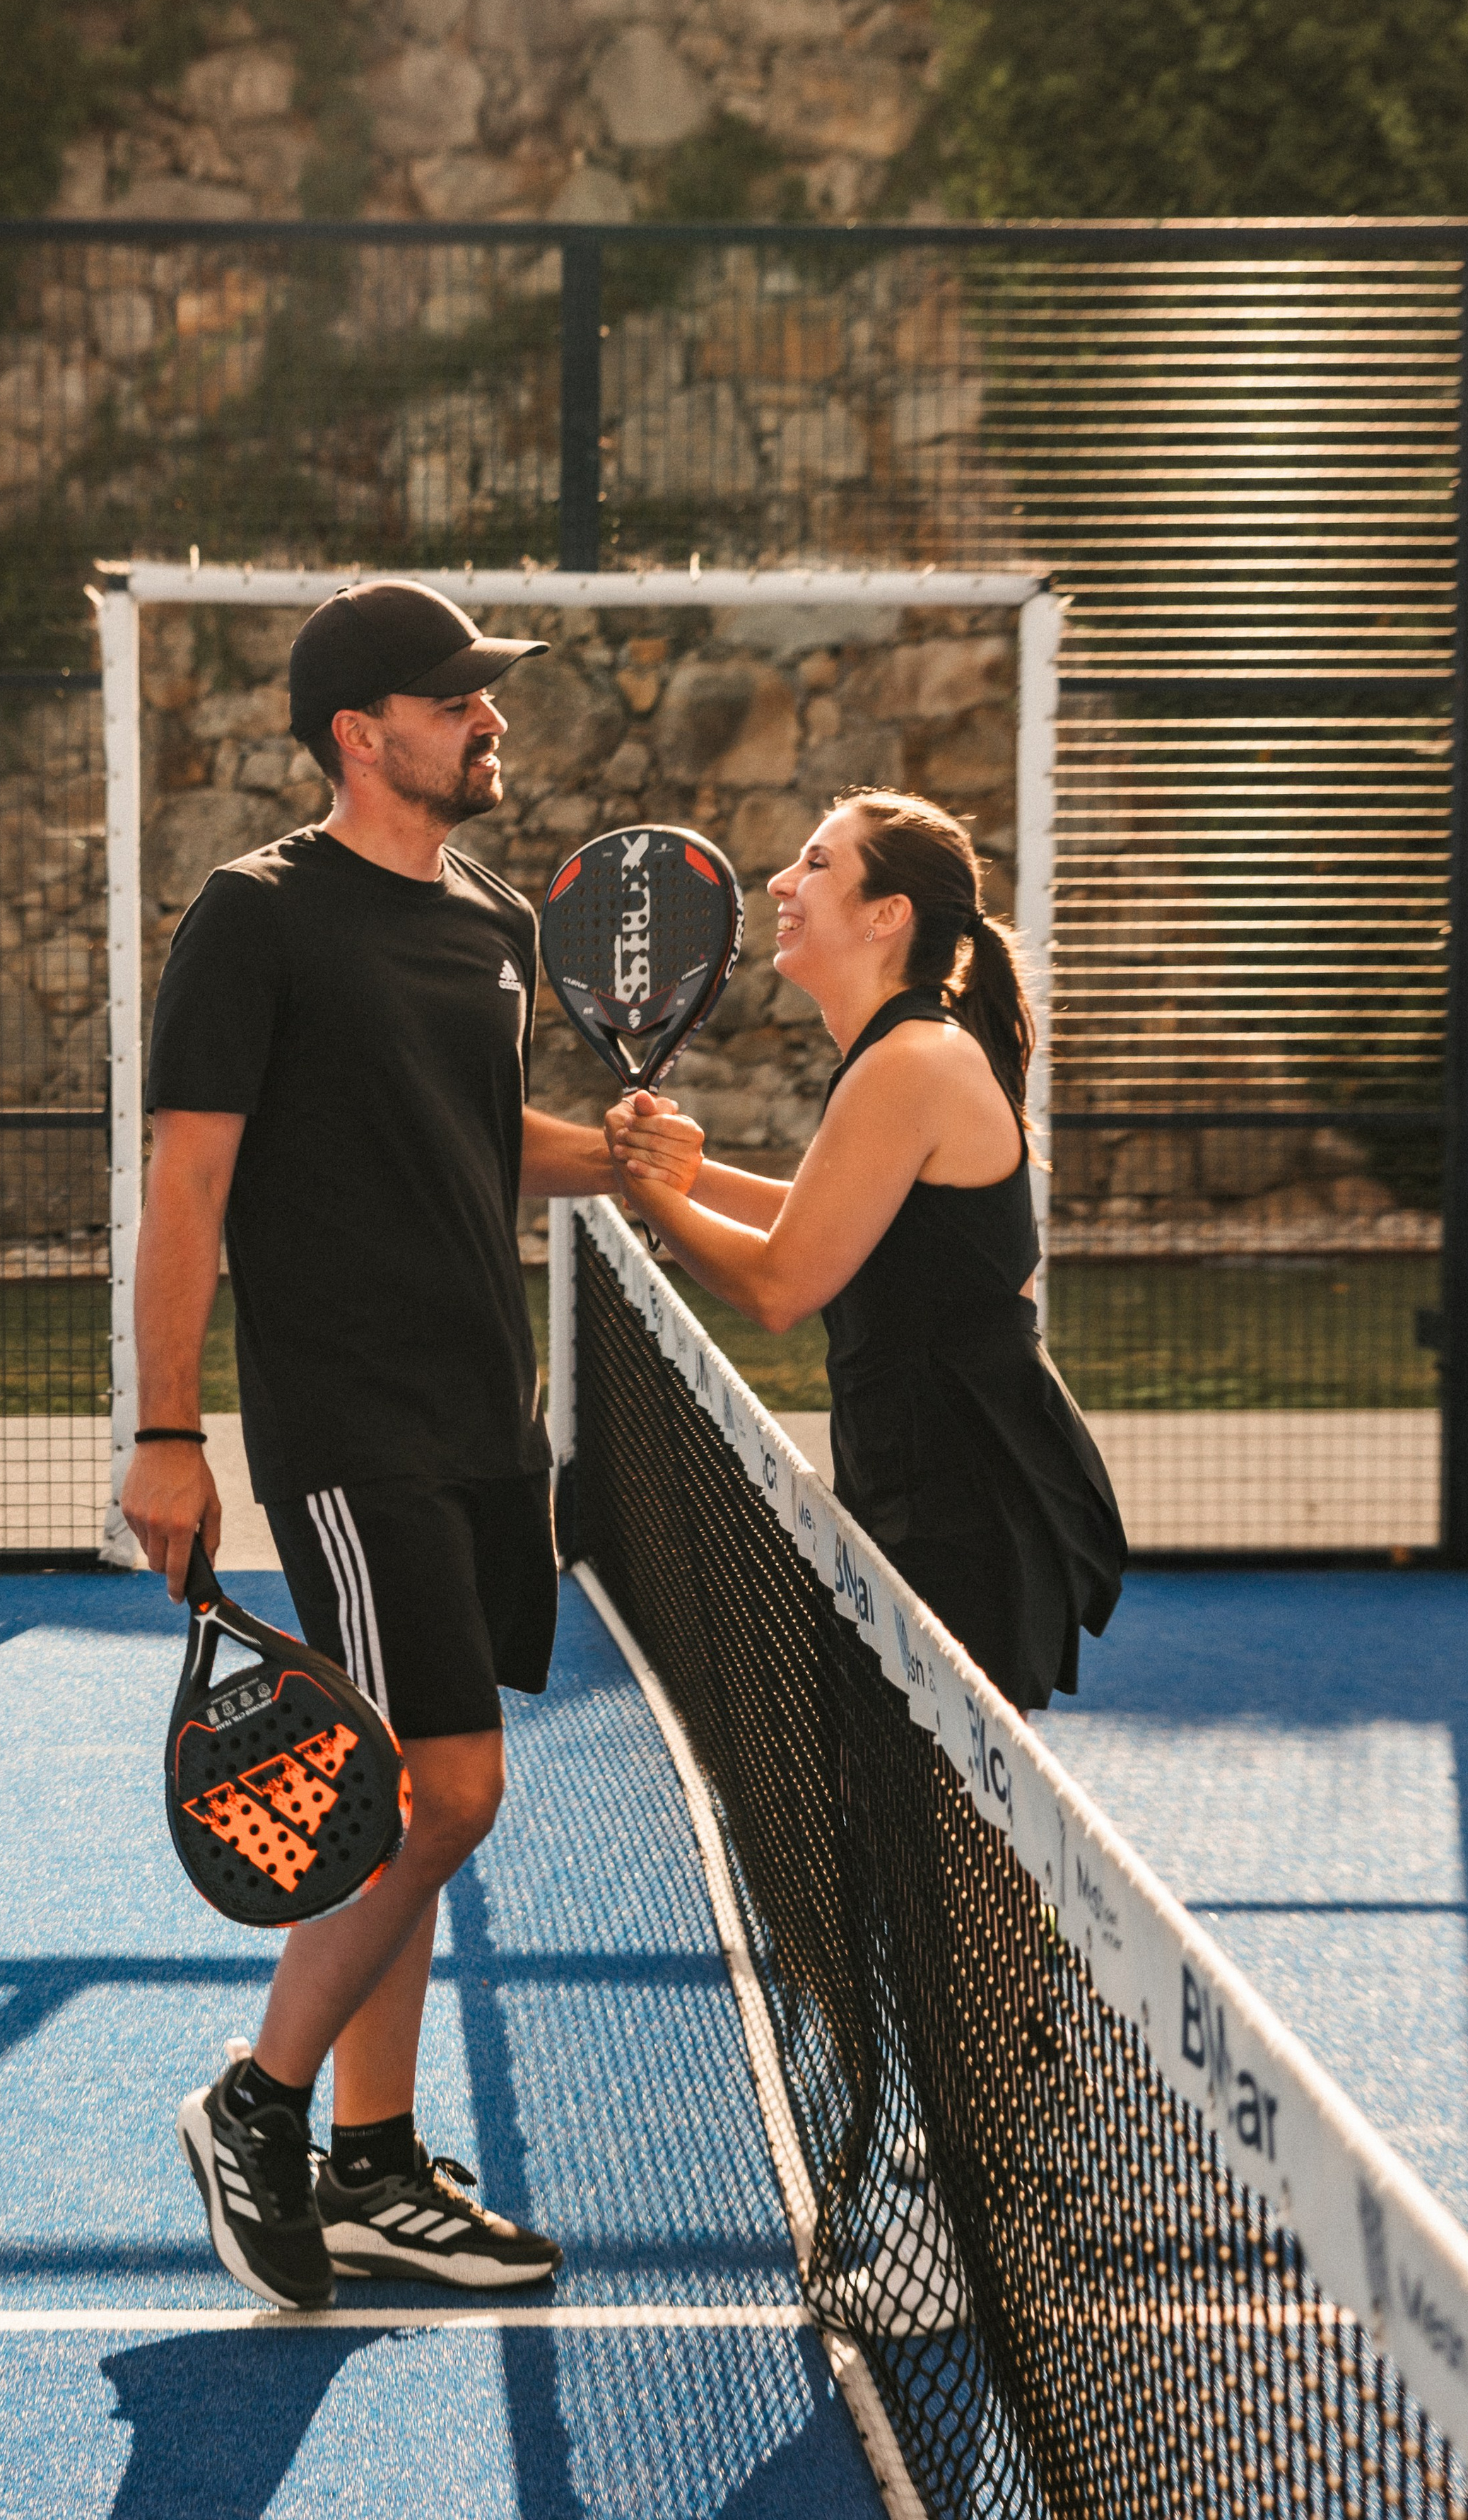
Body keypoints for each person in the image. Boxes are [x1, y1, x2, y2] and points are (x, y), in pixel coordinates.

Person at [123, 578, 622, 2312]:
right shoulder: (253, 918)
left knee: (410, 1789)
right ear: (361, 733)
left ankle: (375, 2167)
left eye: (485, 697)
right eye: (457, 699)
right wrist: (167, 1431)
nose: (490, 720)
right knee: (446, 1789)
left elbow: (482, 1143)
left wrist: (609, 1155)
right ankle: (253, 2107)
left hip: (491, 1419)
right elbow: (189, 1179)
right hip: (352, 1434)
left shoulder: (489, 918)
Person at [608, 788, 1125, 1715]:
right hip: (933, 1491)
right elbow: (841, 1223)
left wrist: (645, 1191)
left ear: (888, 915)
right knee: (909, 1830)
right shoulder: (909, 1049)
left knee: (932, 1837)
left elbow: (779, 1286)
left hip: (961, 1509)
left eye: (817, 863)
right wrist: (689, 1176)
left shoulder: (909, 1062)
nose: (778, 882)